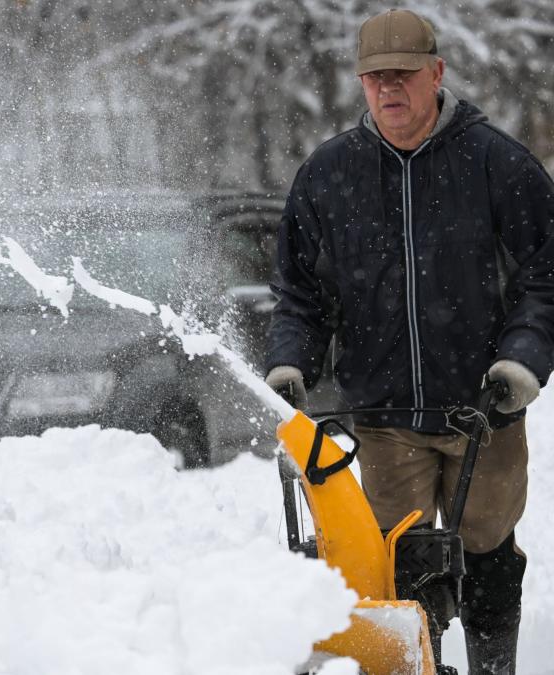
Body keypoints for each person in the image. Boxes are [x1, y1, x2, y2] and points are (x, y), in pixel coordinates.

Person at [265, 9, 554, 674]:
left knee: (485, 549)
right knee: (400, 563)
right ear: (361, 83)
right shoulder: (330, 175)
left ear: (437, 72)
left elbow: (546, 275)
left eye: (402, 74)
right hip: (385, 418)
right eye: (375, 77)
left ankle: (492, 667)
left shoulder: (496, 164)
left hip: (484, 407)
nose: (388, 88)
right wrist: (289, 361)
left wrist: (522, 361)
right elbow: (303, 294)